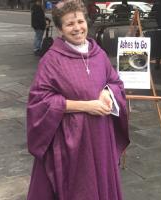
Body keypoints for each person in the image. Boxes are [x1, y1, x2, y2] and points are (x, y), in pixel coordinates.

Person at [26, 0, 130, 200]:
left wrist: (108, 92)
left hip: (101, 136)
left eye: (80, 22)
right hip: (71, 140)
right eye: (69, 24)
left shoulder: (98, 54)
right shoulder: (51, 60)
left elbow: (115, 82)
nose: (77, 28)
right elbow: (40, 101)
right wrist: (86, 106)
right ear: (59, 29)